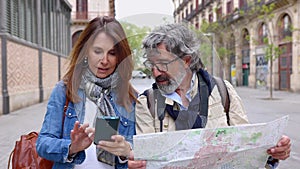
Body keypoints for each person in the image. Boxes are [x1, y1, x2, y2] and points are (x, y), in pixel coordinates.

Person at [130, 23, 291, 169]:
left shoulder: (222, 90)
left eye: (163, 64)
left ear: (186, 61)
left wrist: (272, 152)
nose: (155, 72)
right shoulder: (148, 103)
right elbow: (147, 160)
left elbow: (246, 149)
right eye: (152, 65)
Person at [36, 16, 136, 169]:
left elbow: (142, 148)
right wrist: (72, 146)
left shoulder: (129, 96)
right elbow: (43, 144)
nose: (104, 60)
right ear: (85, 51)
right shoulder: (64, 90)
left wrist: (127, 150)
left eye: (112, 53)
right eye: (97, 51)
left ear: (120, 56)